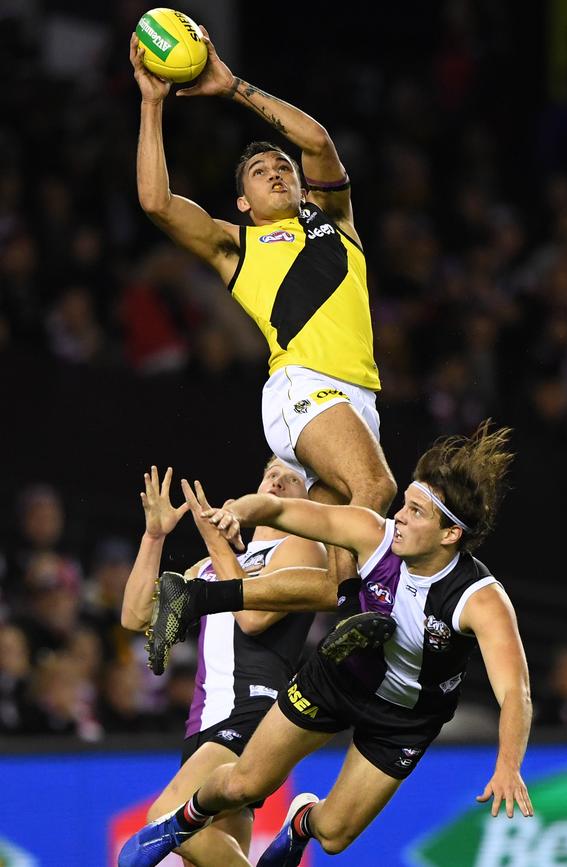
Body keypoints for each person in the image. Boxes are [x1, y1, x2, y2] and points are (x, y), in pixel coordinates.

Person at [118, 423, 534, 867]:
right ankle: (184, 819)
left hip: (405, 717)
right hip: (339, 678)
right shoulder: (372, 534)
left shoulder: (480, 598)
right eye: (405, 505)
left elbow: (515, 692)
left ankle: (301, 825)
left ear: (449, 534)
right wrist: (240, 511)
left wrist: (508, 764)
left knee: (333, 836)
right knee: (242, 785)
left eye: (415, 512)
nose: (399, 516)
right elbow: (278, 510)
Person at [129, 27, 398, 653]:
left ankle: (197, 595)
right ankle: (363, 626)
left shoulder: (337, 223)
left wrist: (234, 89)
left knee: (330, 580)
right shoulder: (237, 247)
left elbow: (318, 142)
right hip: (304, 387)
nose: (277, 171)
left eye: (282, 167)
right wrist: (152, 103)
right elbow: (156, 202)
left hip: (357, 399)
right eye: (259, 170)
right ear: (242, 202)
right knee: (378, 493)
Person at [120, 460, 327, 867]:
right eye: (270, 473)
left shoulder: (303, 548)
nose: (277, 481)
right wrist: (154, 536)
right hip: (202, 723)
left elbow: (252, 618)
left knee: (165, 818)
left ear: (308, 501)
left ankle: (294, 835)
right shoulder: (214, 566)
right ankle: (291, 836)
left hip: (253, 712)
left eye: (293, 478)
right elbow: (136, 615)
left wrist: (216, 543)